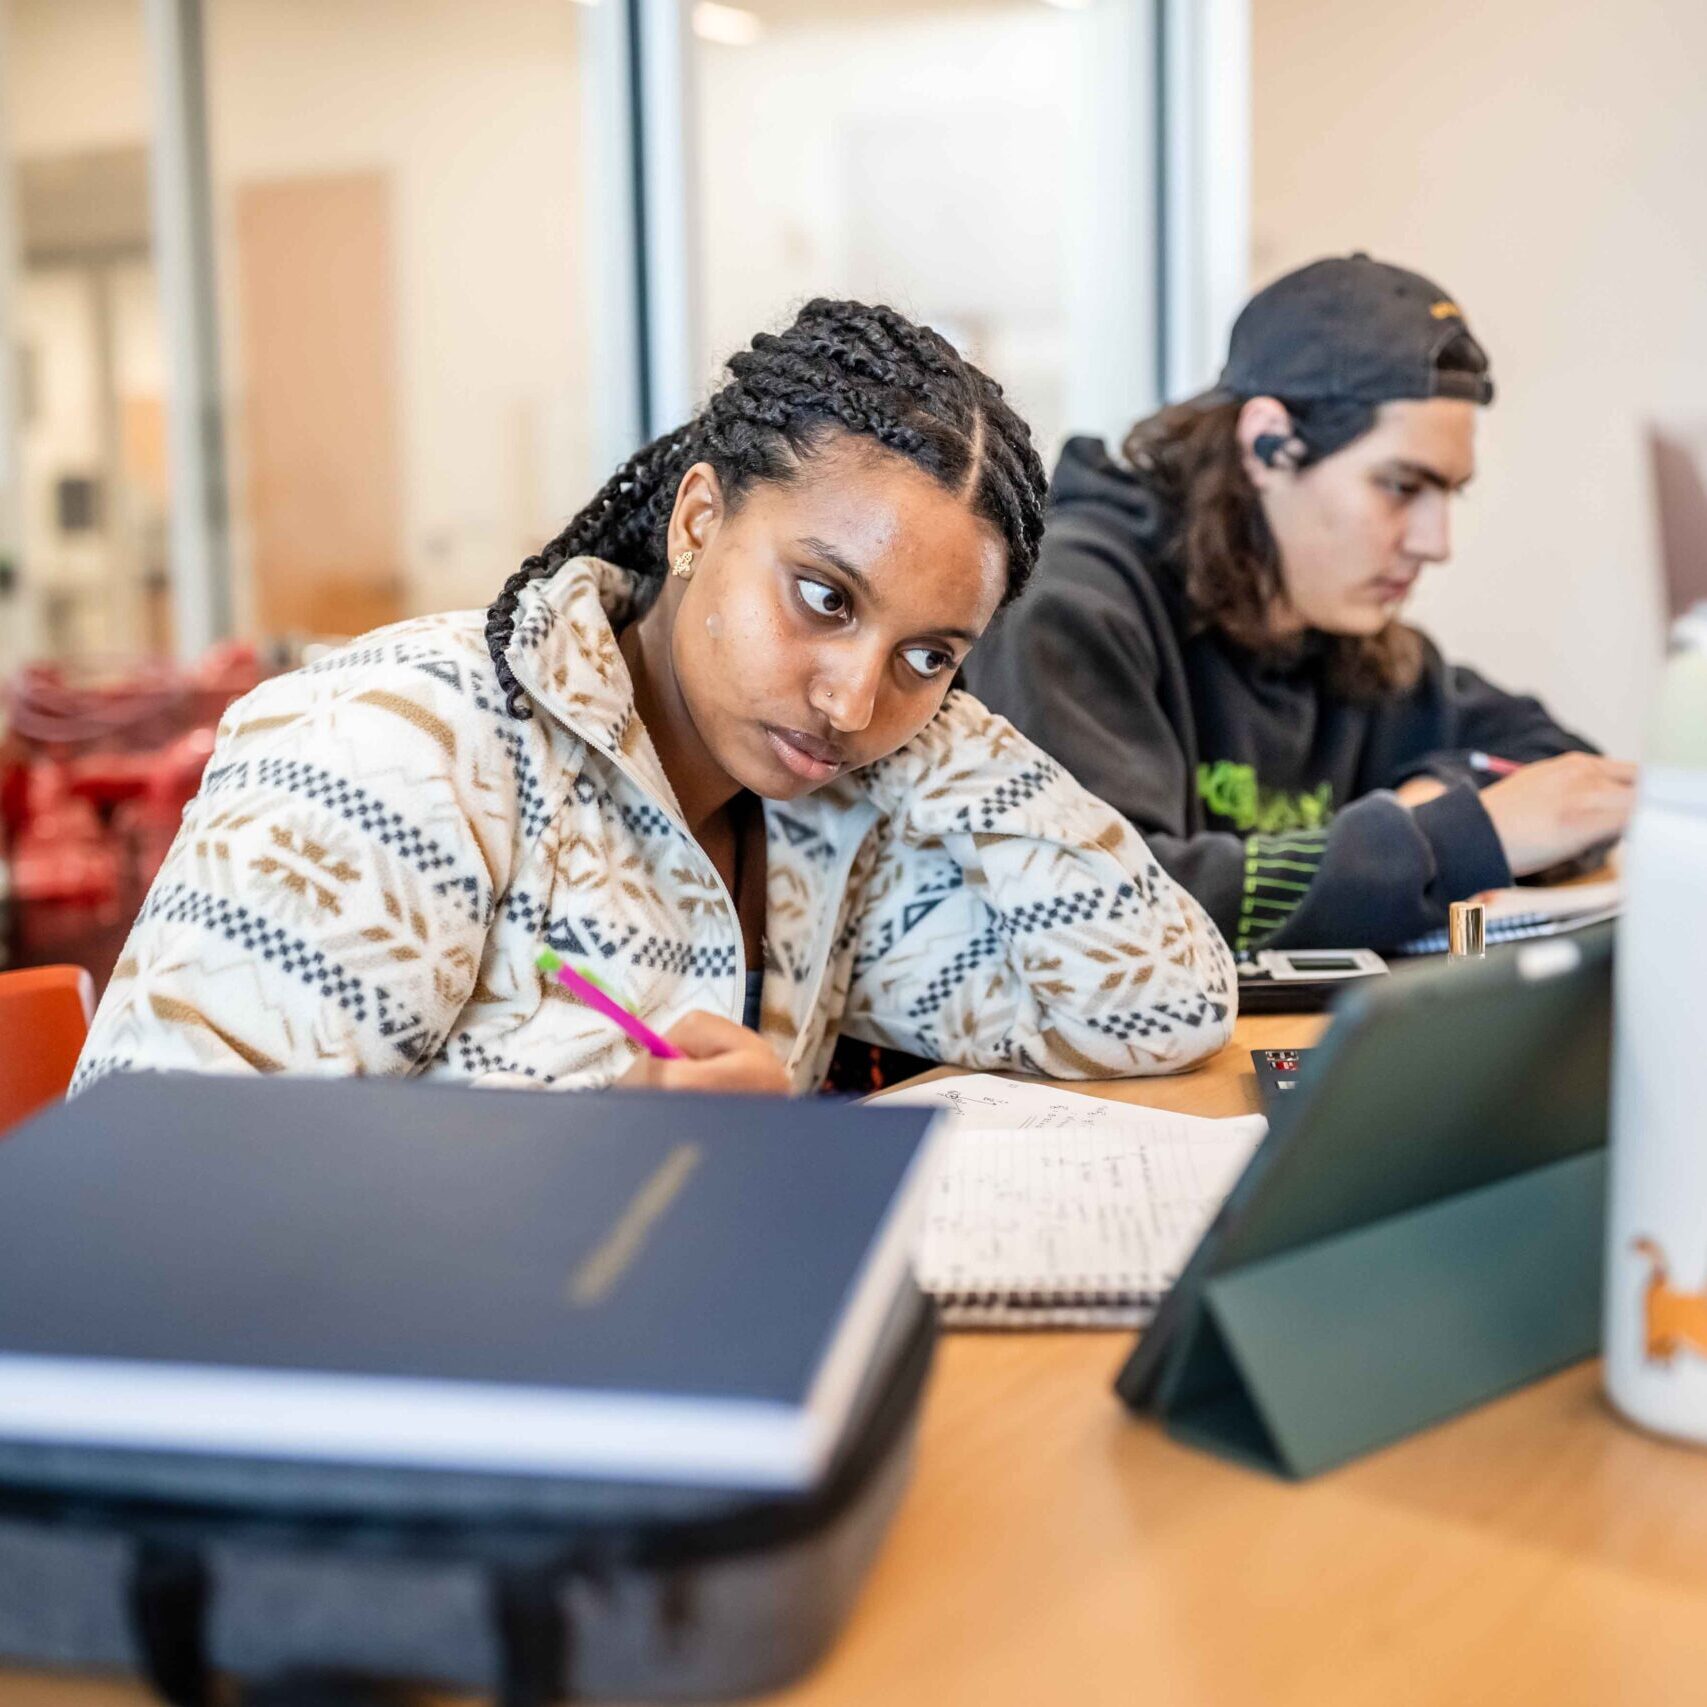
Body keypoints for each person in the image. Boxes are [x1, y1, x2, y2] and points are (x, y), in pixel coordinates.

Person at [76, 299, 1236, 1098]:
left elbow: (1155, 1009)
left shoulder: (822, 822)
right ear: (696, 521)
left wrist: (941, 718)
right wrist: (617, 1174)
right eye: (826, 597)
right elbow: (158, 1204)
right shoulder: (401, 743)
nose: (849, 700)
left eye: (931, 653)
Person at [963, 255, 1635, 955]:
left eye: (1448, 494)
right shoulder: (1069, 608)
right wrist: (1448, 841)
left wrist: (1428, 808)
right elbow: (1113, 906)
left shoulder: (1337, 626)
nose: (1436, 543)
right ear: (1268, 442)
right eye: (1403, 486)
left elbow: (1562, 771)